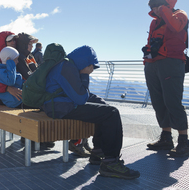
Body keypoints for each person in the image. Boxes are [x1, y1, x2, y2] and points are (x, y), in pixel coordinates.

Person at [44, 45, 140, 179]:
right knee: (111, 113)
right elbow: (82, 98)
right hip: (60, 107)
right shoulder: (68, 69)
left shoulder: (68, 65)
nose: (92, 70)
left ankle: (98, 152)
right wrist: (84, 75)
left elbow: (78, 93)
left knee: (105, 109)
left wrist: (100, 102)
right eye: (92, 66)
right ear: (85, 62)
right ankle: (110, 163)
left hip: (61, 103)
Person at [143, 0, 189, 157]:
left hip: (171, 62)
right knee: (158, 101)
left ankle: (183, 142)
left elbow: (176, 27)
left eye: (158, 5)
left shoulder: (180, 15)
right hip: (153, 64)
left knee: (172, 101)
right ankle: (166, 138)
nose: (156, 9)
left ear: (167, 4)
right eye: (153, 7)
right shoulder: (154, 23)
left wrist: (165, 10)